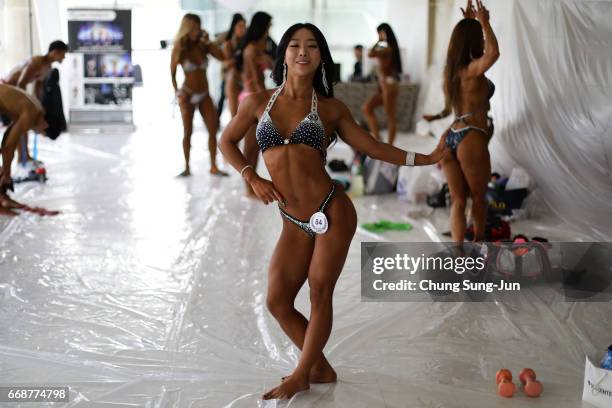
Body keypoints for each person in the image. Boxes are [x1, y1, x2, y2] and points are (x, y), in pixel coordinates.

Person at [219, 23, 446, 400]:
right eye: (294, 45)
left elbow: (373, 147)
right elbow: (226, 141)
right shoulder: (257, 102)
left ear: (321, 56)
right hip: (292, 220)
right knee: (277, 301)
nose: (302, 51)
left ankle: (302, 373)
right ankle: (319, 366)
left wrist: (426, 158)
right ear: (284, 55)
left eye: (311, 46)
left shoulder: (330, 109)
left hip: (332, 212)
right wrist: (250, 176)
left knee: (318, 292)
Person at [423, 0, 499, 242]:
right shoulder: (472, 71)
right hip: (471, 136)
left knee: (457, 200)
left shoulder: (452, 73)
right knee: (478, 198)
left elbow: (448, 109)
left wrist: (467, 24)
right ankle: (477, 248)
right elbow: (494, 53)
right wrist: (484, 23)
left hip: (451, 137)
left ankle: (458, 253)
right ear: (476, 40)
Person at [170, 13, 228, 177]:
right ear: (187, 29)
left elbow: (222, 57)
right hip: (187, 95)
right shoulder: (180, 47)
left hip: (204, 94)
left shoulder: (204, 45)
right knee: (187, 132)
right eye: (193, 28)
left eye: (198, 27)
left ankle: (213, 166)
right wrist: (177, 92)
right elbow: (172, 73)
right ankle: (187, 167)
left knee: (213, 128)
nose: (197, 31)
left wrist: (208, 41)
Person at [1, 40, 68, 163]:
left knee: (25, 126)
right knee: (22, 126)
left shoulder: (47, 68)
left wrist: (38, 105)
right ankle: (21, 157)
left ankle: (24, 155)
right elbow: (21, 83)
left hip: (16, 92)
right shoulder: (37, 62)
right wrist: (26, 106)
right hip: (7, 89)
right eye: (63, 54)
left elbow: (38, 88)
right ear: (55, 52)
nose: (63, 58)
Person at [0, 84, 59, 216]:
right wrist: (7, 175)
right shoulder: (31, 115)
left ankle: (2, 198)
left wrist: (5, 170)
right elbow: (9, 147)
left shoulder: (35, 108)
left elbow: (8, 139)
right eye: (41, 133)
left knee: (4, 165)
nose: (37, 133)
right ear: (45, 124)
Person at [234, 11, 274, 196]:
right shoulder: (251, 49)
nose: (270, 29)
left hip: (256, 95)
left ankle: (251, 187)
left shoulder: (258, 46)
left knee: (255, 145)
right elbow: (254, 79)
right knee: (250, 146)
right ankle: (249, 189)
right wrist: (265, 102)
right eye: (269, 26)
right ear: (263, 26)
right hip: (252, 97)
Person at [362, 23, 402, 145]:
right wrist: (379, 41)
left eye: (380, 32)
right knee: (367, 108)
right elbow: (370, 54)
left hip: (389, 84)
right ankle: (378, 140)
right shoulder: (386, 48)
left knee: (390, 117)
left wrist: (378, 41)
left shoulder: (388, 48)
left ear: (385, 33)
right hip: (383, 85)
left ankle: (389, 146)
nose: (379, 35)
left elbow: (370, 53)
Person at [217, 13, 247, 119]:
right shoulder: (227, 42)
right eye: (240, 26)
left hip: (243, 77)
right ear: (234, 27)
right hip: (230, 77)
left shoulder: (246, 42)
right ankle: (217, 120)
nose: (243, 29)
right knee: (223, 99)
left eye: (244, 26)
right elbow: (228, 64)